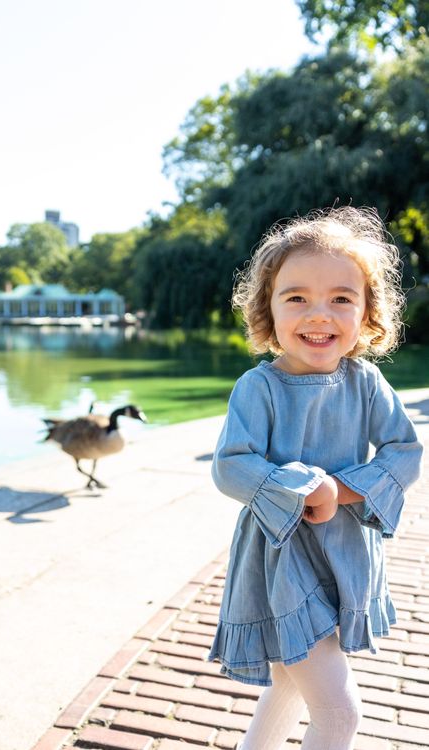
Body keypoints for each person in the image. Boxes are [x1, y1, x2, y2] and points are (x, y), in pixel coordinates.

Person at [208, 206, 423, 750]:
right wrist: (305, 486)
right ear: (268, 309)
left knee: (288, 686)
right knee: (339, 712)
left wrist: (344, 490)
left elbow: (405, 449)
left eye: (341, 299)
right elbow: (231, 464)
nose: (319, 315)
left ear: (367, 313)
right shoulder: (259, 389)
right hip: (283, 561)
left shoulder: (367, 383)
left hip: (343, 552)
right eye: (297, 297)